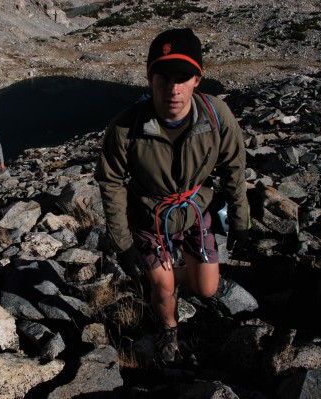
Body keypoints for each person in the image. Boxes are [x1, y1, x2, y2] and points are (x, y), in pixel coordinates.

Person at [94, 28, 249, 364]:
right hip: (151, 218)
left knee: (207, 288)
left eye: (184, 76)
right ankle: (167, 326)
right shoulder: (126, 128)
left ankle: (166, 279)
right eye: (164, 76)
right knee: (164, 290)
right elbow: (111, 182)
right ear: (150, 78)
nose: (173, 87)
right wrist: (123, 244)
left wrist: (241, 220)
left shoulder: (217, 116)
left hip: (195, 211)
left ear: (197, 79)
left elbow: (234, 168)